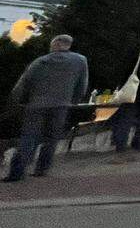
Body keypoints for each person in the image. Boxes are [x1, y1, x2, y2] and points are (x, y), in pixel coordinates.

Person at [4, 35, 88, 182]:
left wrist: (18, 101)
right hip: (62, 105)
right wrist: (74, 101)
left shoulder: (41, 61)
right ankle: (42, 169)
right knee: (52, 138)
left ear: (55, 44)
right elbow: (82, 85)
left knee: (29, 137)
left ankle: (17, 172)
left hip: (36, 105)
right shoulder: (80, 61)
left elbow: (24, 83)